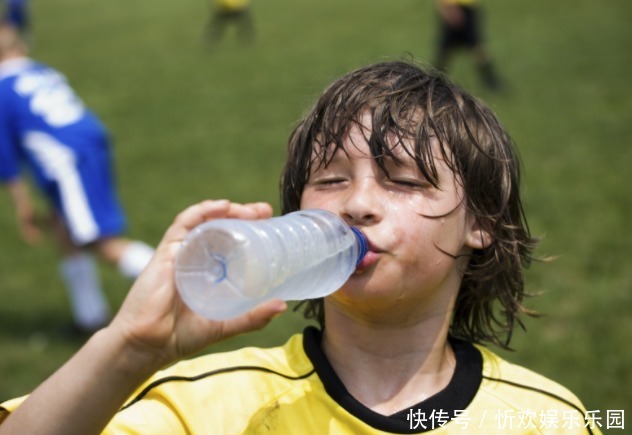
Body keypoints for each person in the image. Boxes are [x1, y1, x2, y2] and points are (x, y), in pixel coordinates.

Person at [0, 60, 601, 434]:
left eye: (404, 180)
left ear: (481, 222)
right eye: (331, 180)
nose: (356, 203)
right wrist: (128, 348)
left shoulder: (547, 419)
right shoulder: (212, 406)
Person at [0, 24, 155, 334]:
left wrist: (21, 204)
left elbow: (6, 156)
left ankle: (189, 282)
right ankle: (90, 317)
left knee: (99, 241)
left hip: (68, 161)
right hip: (89, 143)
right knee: (63, 227)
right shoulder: (42, 70)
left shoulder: (2, 89)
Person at [434, 0, 502, 91]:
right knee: (445, 50)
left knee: (476, 48)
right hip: (455, 9)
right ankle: (434, 79)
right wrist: (448, 10)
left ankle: (489, 79)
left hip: (468, 8)